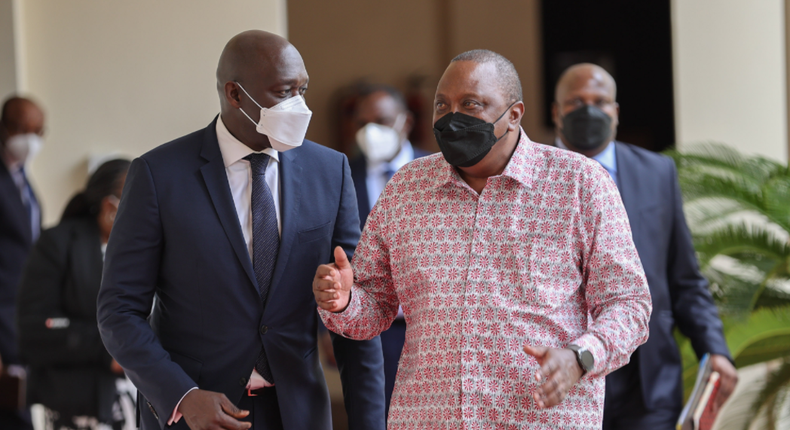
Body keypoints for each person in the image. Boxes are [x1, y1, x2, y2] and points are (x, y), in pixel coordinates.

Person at [313, 49, 652, 429]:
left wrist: (580, 357)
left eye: (471, 104)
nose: (452, 116)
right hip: (428, 419)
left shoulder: (579, 184)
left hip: (542, 419)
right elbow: (373, 309)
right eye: (443, 104)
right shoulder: (406, 189)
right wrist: (343, 302)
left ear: (514, 114)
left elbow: (629, 305)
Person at [97, 30, 384, 430]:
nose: (298, 105)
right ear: (235, 95)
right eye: (284, 92)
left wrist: (370, 422)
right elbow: (119, 310)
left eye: (302, 89)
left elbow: (357, 308)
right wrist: (180, 394)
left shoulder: (330, 171)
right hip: (198, 413)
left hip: (298, 411)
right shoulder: (159, 175)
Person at [551, 63, 737, 429]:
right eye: (575, 101)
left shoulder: (657, 173)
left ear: (616, 113)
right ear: (556, 112)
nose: (589, 110)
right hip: (566, 374)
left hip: (649, 380)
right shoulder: (532, 177)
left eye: (600, 101)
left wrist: (714, 349)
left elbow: (684, 277)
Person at [17, 159, 133, 430]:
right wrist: (108, 351)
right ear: (109, 207)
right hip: (77, 404)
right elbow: (36, 328)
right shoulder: (57, 244)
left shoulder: (145, 252)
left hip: (141, 402)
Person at [348, 84, 431, 415]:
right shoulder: (340, 174)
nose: (371, 131)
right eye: (362, 123)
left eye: (382, 121)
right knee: (375, 416)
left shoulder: (439, 171)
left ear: (405, 122)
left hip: (430, 326)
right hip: (369, 329)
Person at [0, 95, 45, 430]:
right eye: (21, 129)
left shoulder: (23, 180)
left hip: (18, 319)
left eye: (38, 131)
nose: (30, 139)